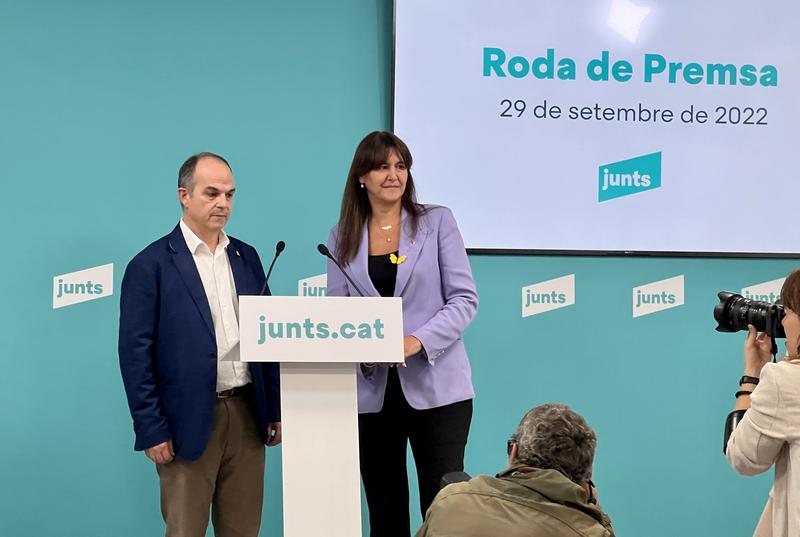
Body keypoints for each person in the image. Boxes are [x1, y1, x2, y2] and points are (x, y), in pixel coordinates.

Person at [118, 152, 281, 537]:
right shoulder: (151, 264)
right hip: (183, 422)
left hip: (246, 415)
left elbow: (268, 335)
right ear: (184, 195)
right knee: (185, 530)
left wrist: (274, 408)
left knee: (243, 529)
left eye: (229, 194)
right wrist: (150, 428)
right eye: (211, 193)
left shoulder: (248, 257)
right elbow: (134, 354)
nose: (222, 203)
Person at [326, 131, 479, 536]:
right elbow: (338, 319)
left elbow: (464, 299)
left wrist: (416, 341)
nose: (393, 175)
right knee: (385, 512)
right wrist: (364, 349)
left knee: (443, 508)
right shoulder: (340, 237)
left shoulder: (437, 221)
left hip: (438, 391)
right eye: (382, 166)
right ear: (361, 176)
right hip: (372, 395)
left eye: (401, 165)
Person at [416, 403, 615, 537]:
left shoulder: (450, 500)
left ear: (514, 451)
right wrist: (597, 517)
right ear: (587, 475)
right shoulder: (588, 532)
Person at [725, 268, 800, 537]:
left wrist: (751, 377)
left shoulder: (786, 380)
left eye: (788, 312)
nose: (783, 322)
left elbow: (743, 457)